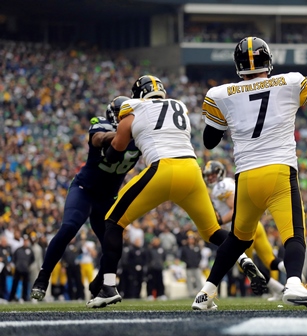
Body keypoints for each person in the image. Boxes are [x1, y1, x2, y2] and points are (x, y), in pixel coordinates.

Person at [193, 31, 307, 311]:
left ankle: (205, 293)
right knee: (293, 234)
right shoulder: (290, 82)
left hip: (246, 178)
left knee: (238, 239)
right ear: (268, 61)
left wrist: (233, 117)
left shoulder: (220, 94)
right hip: (279, 172)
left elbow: (210, 141)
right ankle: (295, 282)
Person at [86, 75, 264, 308]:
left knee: (113, 221)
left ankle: (108, 286)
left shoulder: (133, 106)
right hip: (191, 170)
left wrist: (108, 151)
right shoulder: (178, 105)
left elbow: (117, 149)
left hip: (162, 169)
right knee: (212, 231)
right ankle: (243, 259)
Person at [31, 96, 141, 301]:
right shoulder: (102, 124)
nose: (128, 118)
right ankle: (43, 277)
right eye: (124, 114)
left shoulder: (141, 135)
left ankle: (100, 282)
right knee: (69, 228)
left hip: (108, 197)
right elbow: (97, 138)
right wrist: (118, 136)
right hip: (84, 190)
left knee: (113, 244)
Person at [203, 160, 287, 300]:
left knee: (246, 267)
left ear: (220, 172)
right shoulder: (229, 182)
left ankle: (280, 289)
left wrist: (219, 221)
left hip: (241, 232)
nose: (210, 177)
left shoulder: (221, 187)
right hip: (255, 225)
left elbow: (234, 209)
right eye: (208, 175)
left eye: (212, 174)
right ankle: (293, 275)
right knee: (271, 261)